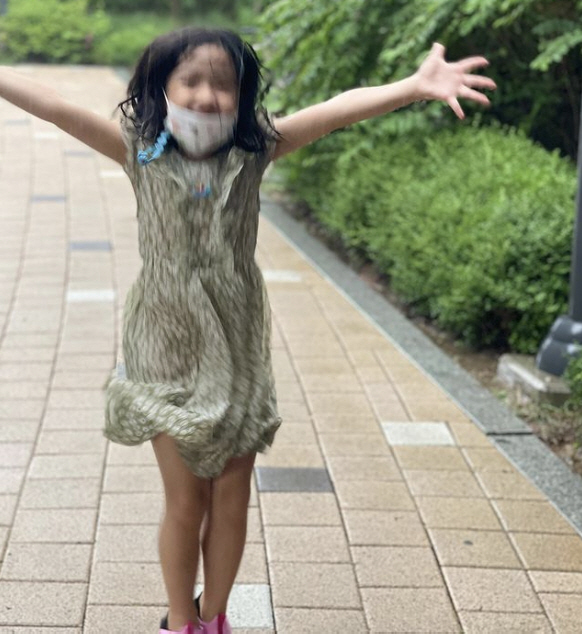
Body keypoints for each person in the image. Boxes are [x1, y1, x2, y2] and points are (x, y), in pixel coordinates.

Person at [0, 27, 495, 634]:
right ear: (162, 88)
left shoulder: (255, 150)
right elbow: (56, 106)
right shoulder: (139, 150)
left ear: (242, 95)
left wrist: (414, 87)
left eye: (223, 84)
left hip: (236, 347)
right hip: (166, 348)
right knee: (187, 500)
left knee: (232, 494)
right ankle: (180, 621)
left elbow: (336, 110)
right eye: (191, 81)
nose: (207, 96)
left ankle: (214, 618)